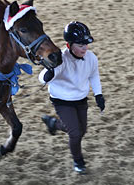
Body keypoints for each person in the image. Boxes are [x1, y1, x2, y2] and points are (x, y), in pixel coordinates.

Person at [39, 21, 105, 174]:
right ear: (69, 45)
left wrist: (98, 94)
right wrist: (47, 75)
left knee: (82, 131)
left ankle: (53, 124)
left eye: (86, 44)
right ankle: (78, 161)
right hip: (62, 101)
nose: (85, 48)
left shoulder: (91, 58)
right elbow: (42, 78)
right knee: (75, 133)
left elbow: (94, 75)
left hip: (81, 99)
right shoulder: (60, 59)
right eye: (80, 45)